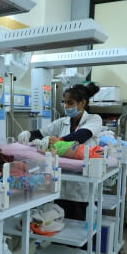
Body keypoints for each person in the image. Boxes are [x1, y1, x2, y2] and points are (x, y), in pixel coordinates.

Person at [17, 82, 103, 219]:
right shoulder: (62, 122)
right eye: (65, 102)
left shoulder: (94, 119)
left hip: (84, 186)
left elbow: (81, 136)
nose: (66, 106)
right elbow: (41, 133)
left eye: (70, 103)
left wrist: (59, 141)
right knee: (59, 221)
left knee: (81, 225)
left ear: (82, 103)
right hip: (61, 183)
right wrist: (28, 134)